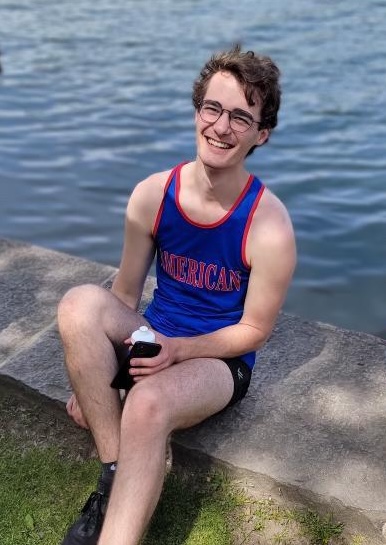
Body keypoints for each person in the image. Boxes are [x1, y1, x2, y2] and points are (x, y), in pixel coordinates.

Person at [57, 44, 296, 545]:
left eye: (240, 116)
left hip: (217, 361)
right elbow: (123, 293)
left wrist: (180, 351)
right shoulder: (152, 194)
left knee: (145, 404)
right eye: (213, 108)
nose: (221, 126)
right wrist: (92, 379)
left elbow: (254, 331)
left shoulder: (268, 225)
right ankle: (112, 475)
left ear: (261, 133)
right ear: (197, 110)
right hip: (154, 337)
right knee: (78, 303)